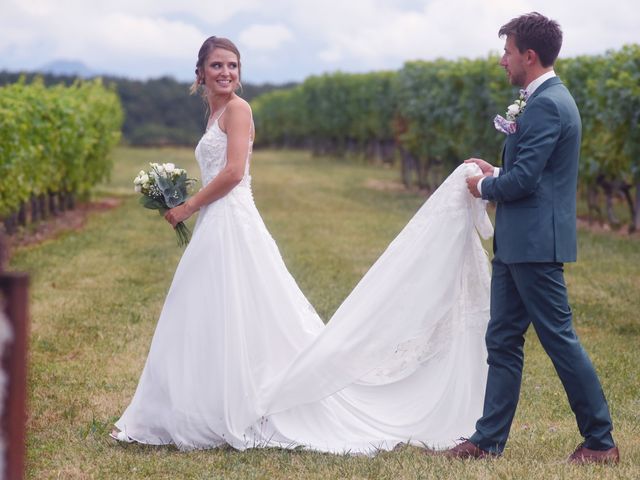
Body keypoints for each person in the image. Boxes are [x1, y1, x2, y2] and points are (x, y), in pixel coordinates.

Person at [110, 36, 494, 453]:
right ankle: (201, 403)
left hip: (231, 221)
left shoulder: (238, 109)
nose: (225, 73)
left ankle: (248, 402)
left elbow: (235, 172)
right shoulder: (215, 112)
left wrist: (188, 207)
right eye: (217, 65)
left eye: (232, 66)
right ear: (200, 72)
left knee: (239, 307)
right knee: (209, 309)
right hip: (218, 222)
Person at [445, 12, 619, 464]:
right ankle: (487, 441)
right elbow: (530, 175)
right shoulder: (542, 99)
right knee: (502, 339)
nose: (502, 60)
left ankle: (600, 441)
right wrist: (495, 170)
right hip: (518, 242)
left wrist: (483, 187)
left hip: (536, 245)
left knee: (559, 340)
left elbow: (525, 184)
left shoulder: (547, 104)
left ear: (529, 55)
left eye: (507, 52)